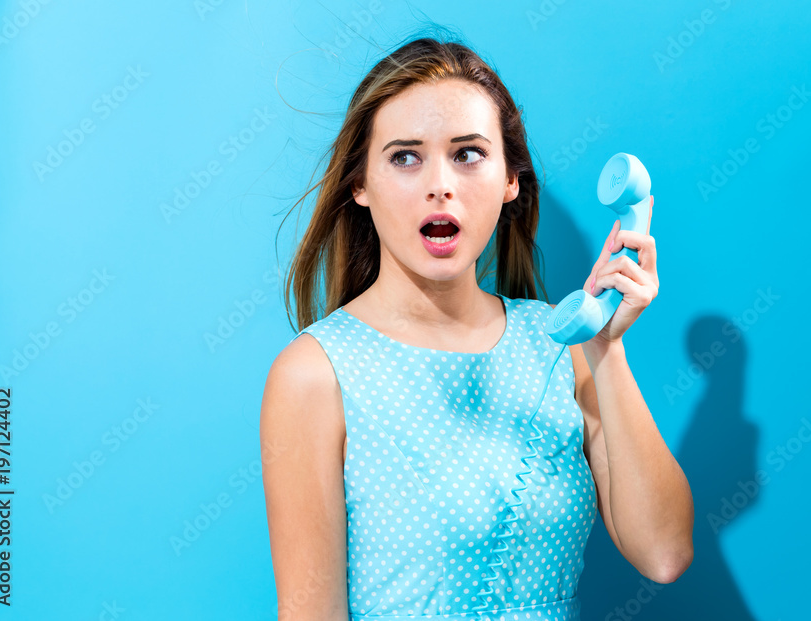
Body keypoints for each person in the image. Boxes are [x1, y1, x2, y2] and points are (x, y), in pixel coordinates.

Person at [260, 35, 693, 621]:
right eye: (405, 156)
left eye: (467, 154)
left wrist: (604, 348)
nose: (440, 183)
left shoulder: (564, 346)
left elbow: (664, 555)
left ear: (510, 180)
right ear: (359, 184)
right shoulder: (315, 375)